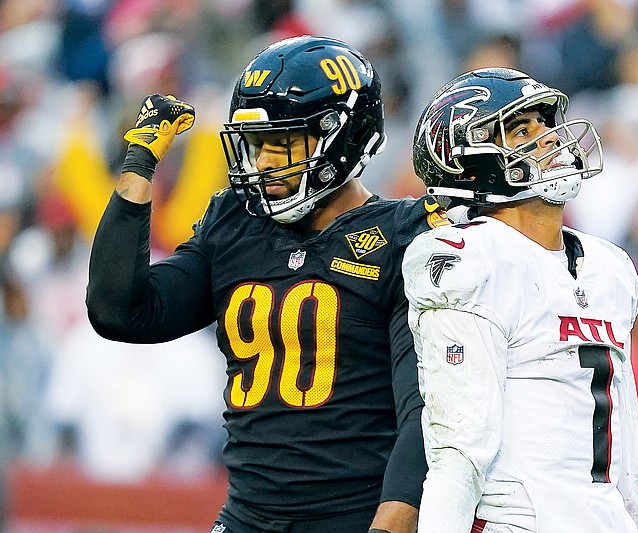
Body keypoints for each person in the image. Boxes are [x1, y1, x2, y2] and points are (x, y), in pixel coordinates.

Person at [86, 35, 447, 533]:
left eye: (284, 141)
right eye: (259, 144)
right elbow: (121, 311)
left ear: (342, 137)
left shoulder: (406, 237)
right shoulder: (236, 221)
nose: (266, 161)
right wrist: (139, 165)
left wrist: (394, 520)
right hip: (248, 516)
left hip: (354, 516)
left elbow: (427, 411)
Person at [402, 67, 638, 532]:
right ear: (470, 161)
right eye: (521, 130)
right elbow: (458, 447)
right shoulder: (472, 258)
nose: (549, 138)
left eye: (545, 123)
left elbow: (628, 452)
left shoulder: (609, 267)